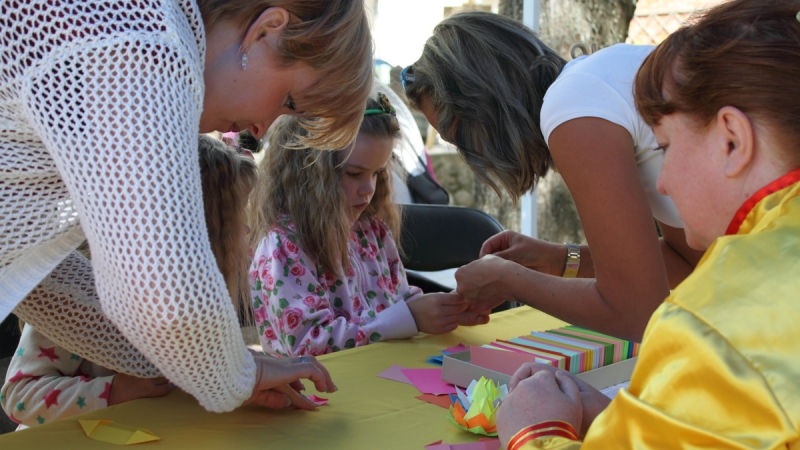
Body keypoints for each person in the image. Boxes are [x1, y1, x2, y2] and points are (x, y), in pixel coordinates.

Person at [1, 0, 372, 412]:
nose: (261, 128)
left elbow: (36, 279)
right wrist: (237, 373)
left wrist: (225, 367)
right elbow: (165, 296)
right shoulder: (141, 38)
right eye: (287, 100)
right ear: (268, 30)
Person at [495, 1, 800, 448]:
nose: (664, 182)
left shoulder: (709, 323)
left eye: (665, 147)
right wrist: (629, 420)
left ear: (732, 140)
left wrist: (536, 432)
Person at [402, 11, 705, 342]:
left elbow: (636, 314)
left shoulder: (575, 107)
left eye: (459, 136)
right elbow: (690, 261)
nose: (470, 157)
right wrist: (559, 259)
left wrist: (510, 280)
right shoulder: (598, 81)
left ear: (483, 100)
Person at [2, 135, 284, 428]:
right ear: (194, 229)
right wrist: (113, 391)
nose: (247, 228)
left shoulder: (191, 295)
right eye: (235, 217)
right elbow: (19, 396)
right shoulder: (76, 293)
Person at [248, 94, 489, 357]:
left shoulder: (371, 231)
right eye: (354, 174)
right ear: (309, 171)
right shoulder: (285, 245)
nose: (369, 188)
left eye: (377, 173)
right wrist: (409, 318)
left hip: (380, 374)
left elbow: (396, 301)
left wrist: (442, 309)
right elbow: (307, 343)